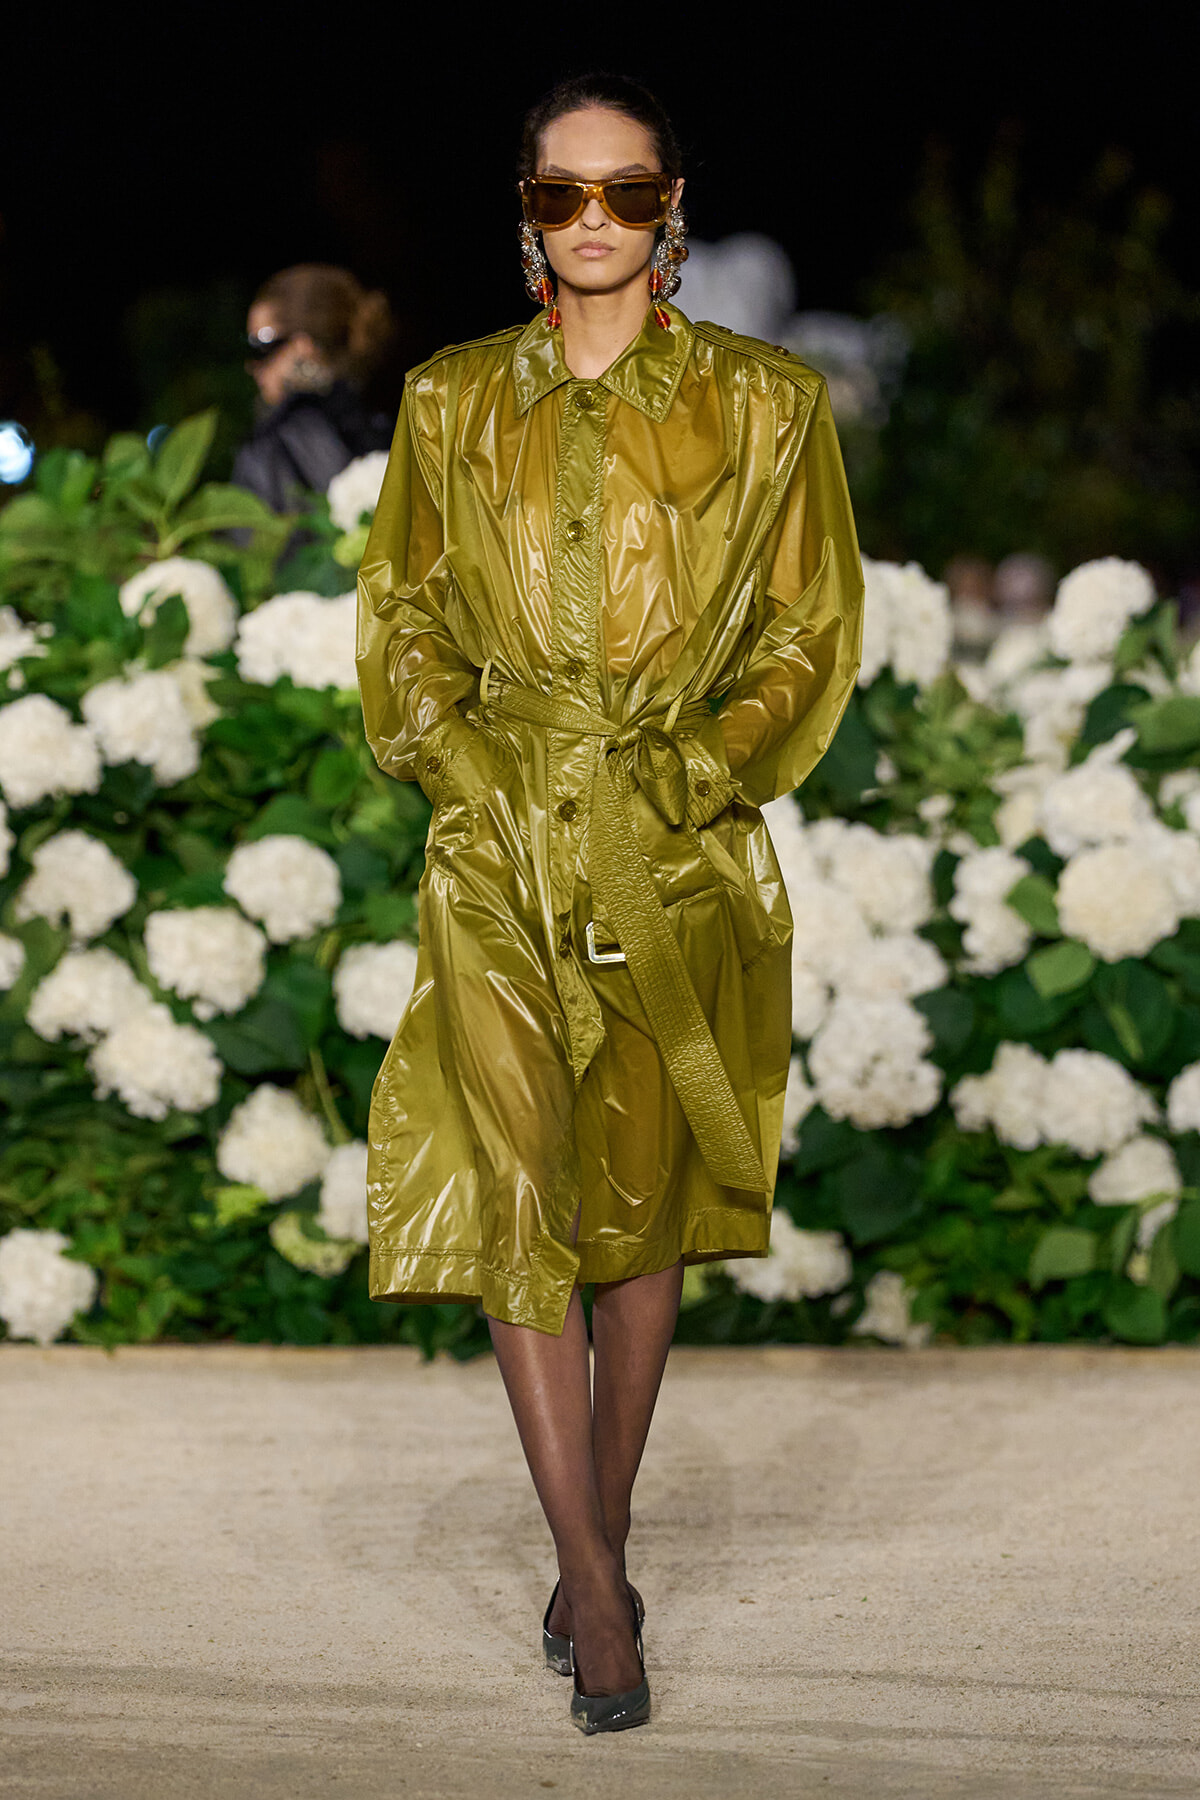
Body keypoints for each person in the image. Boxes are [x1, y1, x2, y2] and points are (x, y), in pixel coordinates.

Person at [356, 74, 864, 1734]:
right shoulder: (445, 402)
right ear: (524, 211)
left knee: (636, 1209)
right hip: (498, 836)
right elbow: (406, 615)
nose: (594, 220)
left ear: (671, 208)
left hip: (673, 838)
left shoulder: (770, 405)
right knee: (519, 1183)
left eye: (625, 193)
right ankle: (595, 1588)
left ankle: (603, 1545)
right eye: (565, 194)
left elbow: (807, 628)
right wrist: (452, 763)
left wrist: (705, 768)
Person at [232, 263, 394, 513]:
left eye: (261, 345)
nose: (252, 365)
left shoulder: (274, 445)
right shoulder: (394, 422)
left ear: (303, 346)